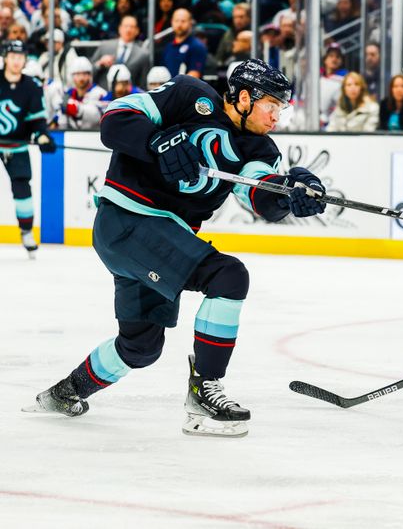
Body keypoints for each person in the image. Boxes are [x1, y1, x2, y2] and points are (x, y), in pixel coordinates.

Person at [26, 59, 328, 438]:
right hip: (125, 220)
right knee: (228, 276)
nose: (276, 118)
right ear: (246, 98)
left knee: (141, 347)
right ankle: (205, 391)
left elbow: (260, 195)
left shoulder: (260, 150)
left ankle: (64, 393)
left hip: (159, 239)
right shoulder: (189, 94)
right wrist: (156, 140)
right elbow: (115, 119)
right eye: (272, 106)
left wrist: (289, 193)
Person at [0, 40, 55, 257]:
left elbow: (37, 122)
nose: (16, 61)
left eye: (20, 57)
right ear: (5, 58)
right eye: (13, 56)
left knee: (22, 188)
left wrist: (42, 135)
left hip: (17, 146)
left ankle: (26, 231)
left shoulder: (31, 87)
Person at [91, 15, 150, 90]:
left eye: (132, 27)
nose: (128, 30)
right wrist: (99, 63)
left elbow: (143, 84)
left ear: (137, 31)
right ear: (120, 28)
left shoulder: (142, 54)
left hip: (129, 98)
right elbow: (90, 71)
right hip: (104, 95)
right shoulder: (104, 46)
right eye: (126, 26)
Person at [50, 56, 107, 129]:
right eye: (78, 74)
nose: (81, 78)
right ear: (72, 76)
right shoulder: (68, 94)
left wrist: (78, 109)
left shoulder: (101, 94)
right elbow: (59, 117)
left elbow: (103, 116)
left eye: (84, 74)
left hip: (95, 135)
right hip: (71, 136)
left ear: (90, 75)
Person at [160, 8, 207, 78]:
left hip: (187, 88)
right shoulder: (168, 47)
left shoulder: (197, 46)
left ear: (190, 23)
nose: (179, 24)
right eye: (176, 21)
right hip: (169, 87)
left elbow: (194, 76)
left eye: (183, 21)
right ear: (171, 22)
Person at [215, 2, 250, 67]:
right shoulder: (228, 34)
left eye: (241, 17)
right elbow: (219, 58)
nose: (238, 20)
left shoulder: (255, 34)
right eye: (235, 17)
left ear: (249, 17)